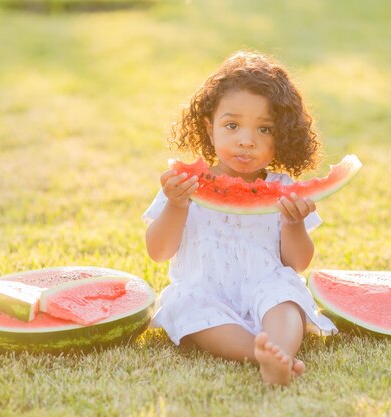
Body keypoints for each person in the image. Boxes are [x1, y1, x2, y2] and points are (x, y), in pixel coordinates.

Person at [143, 51, 337, 386]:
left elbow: (298, 262)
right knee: (188, 308)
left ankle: (278, 350)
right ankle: (261, 355)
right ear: (210, 127)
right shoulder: (184, 187)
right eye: (232, 126)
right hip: (204, 291)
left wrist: (293, 225)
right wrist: (176, 207)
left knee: (287, 297)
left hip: (265, 285)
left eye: (264, 129)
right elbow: (158, 251)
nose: (246, 140)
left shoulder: (283, 189)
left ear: (283, 136)